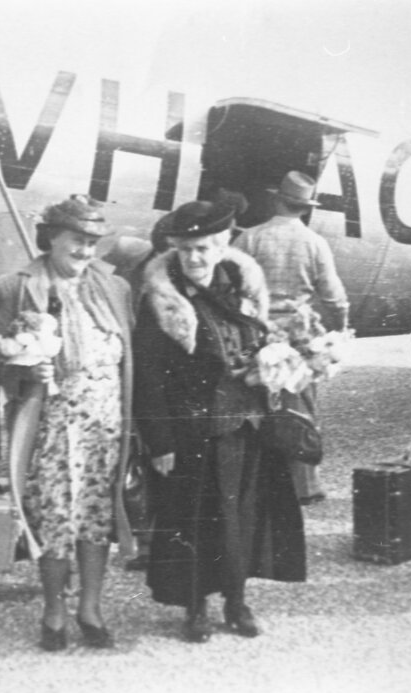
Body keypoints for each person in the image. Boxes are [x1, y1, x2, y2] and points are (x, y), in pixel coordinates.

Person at [134, 200, 306, 643]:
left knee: (242, 518)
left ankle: (236, 599)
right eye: (187, 249)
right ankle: (195, 606)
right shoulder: (162, 302)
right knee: (196, 520)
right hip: (194, 431)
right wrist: (160, 443)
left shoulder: (242, 289)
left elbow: (258, 341)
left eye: (204, 248)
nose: (195, 258)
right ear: (175, 248)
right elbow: (148, 378)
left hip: (246, 426)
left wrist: (271, 367)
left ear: (223, 245)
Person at [0, 195, 135, 651]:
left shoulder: (115, 288)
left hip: (105, 424)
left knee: (97, 517)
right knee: (54, 517)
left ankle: (90, 607)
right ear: (51, 238)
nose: (85, 251)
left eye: (93, 242)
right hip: (52, 425)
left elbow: (129, 358)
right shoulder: (15, 286)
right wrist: (24, 372)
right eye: (77, 240)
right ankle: (53, 610)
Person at [233, 171, 349, 504]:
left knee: (255, 408)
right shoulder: (315, 243)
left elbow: (231, 284)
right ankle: (305, 487)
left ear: (277, 200)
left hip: (257, 335)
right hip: (300, 339)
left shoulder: (250, 238)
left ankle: (257, 485)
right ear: (304, 208)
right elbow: (334, 297)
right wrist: (337, 329)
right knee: (300, 408)